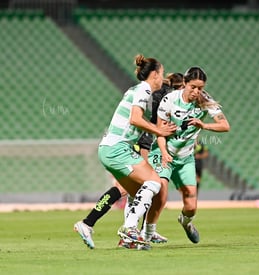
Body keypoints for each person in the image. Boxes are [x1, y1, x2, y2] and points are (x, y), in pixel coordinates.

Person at [73, 54, 177, 249]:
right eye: (161, 73)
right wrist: (159, 130)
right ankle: (129, 229)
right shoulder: (144, 89)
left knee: (136, 192)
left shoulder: (137, 90)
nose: (162, 78)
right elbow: (135, 119)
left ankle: (90, 226)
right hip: (116, 148)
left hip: (111, 147)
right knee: (154, 182)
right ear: (154, 74)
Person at [120, 66, 230, 249]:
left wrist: (204, 125)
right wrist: (163, 152)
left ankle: (185, 222)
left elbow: (225, 125)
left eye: (200, 88)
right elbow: (161, 131)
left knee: (191, 205)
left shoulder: (205, 100)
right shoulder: (169, 100)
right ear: (184, 84)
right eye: (193, 87)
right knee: (160, 194)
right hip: (163, 153)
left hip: (186, 159)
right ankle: (146, 237)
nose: (196, 92)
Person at [117, 72, 184, 248]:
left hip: (145, 140)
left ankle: (134, 234)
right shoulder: (164, 97)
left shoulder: (162, 95)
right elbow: (151, 123)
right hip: (144, 141)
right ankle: (130, 232)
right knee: (145, 186)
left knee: (141, 189)